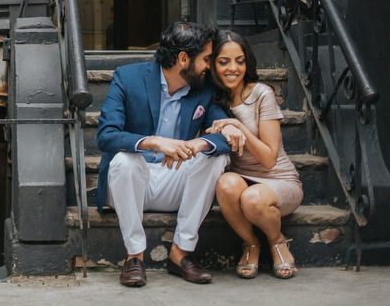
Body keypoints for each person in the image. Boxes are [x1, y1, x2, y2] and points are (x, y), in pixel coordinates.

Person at [96, 21, 245, 287]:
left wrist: (199, 144)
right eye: (207, 59)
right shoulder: (128, 78)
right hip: (130, 184)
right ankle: (135, 257)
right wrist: (154, 143)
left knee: (215, 156)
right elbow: (106, 136)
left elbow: (222, 136)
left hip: (174, 180)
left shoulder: (204, 90)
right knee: (124, 160)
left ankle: (180, 253)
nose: (209, 66)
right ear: (183, 58)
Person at [205, 29, 303, 280]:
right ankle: (250, 244)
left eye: (240, 61)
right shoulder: (212, 98)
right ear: (212, 64)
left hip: (279, 180)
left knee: (252, 198)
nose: (232, 69)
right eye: (223, 61)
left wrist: (239, 127)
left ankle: (277, 241)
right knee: (225, 184)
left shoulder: (261, 94)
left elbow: (269, 158)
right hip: (240, 177)